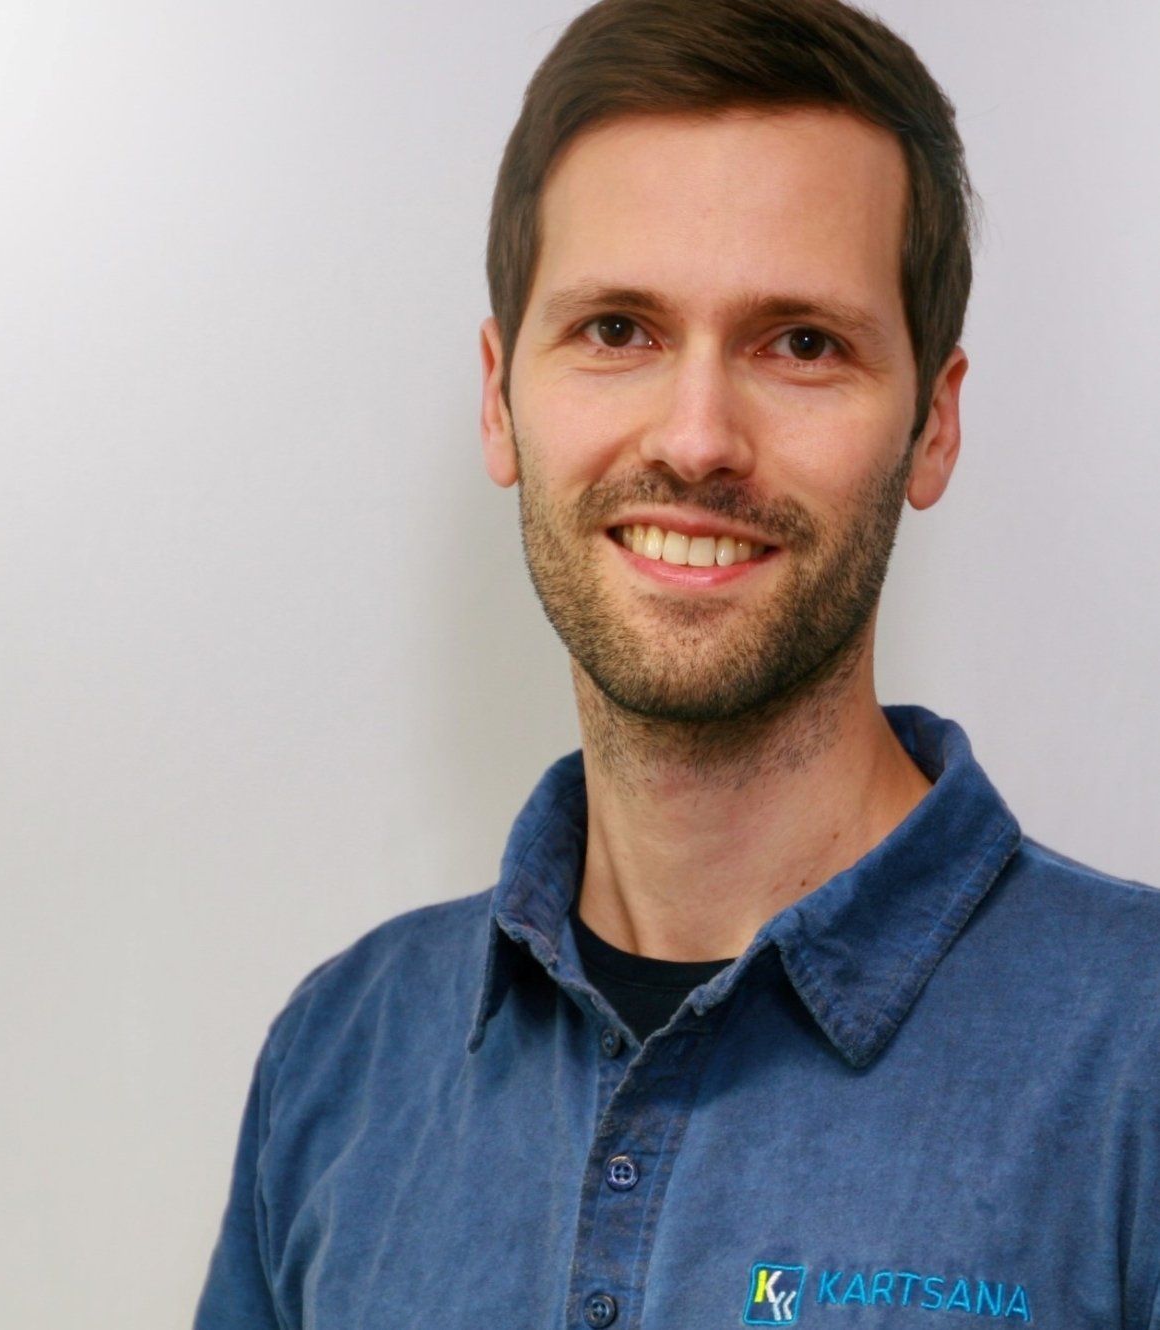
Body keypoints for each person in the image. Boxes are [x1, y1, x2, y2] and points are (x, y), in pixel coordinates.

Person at [194, 1, 1160, 1326]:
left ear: (932, 426)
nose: (697, 437)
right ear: (499, 396)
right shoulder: (338, 1062)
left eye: (801, 343)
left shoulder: (1136, 1058)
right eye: (617, 330)